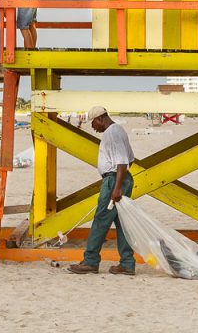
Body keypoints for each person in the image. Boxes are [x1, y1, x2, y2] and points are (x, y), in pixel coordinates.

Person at [68, 106, 136, 276]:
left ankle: (90, 262)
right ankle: (127, 263)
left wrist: (116, 186)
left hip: (114, 180)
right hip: (121, 178)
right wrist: (122, 181)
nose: (93, 127)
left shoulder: (111, 133)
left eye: (93, 123)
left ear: (100, 118)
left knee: (100, 221)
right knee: (122, 224)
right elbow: (130, 160)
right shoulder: (119, 130)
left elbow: (122, 162)